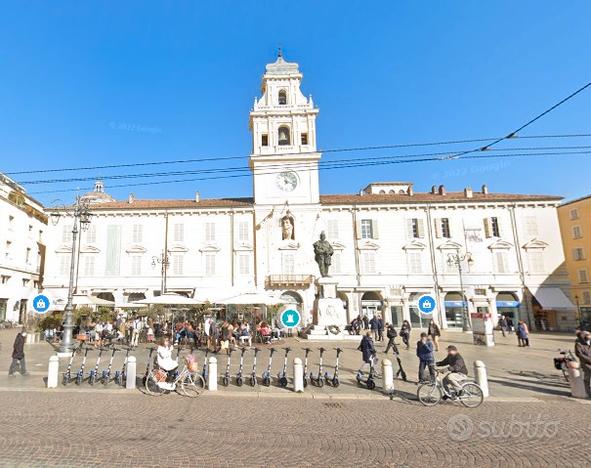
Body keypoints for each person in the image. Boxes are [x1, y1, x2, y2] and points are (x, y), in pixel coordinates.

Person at [574, 330, 591, 397]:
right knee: (587, 378)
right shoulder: (579, 343)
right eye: (589, 335)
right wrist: (589, 360)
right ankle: (587, 393)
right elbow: (579, 354)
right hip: (586, 364)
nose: (590, 336)